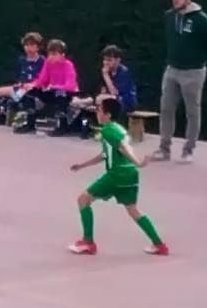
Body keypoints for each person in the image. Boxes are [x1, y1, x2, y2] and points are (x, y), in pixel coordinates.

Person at [68, 98, 167, 256]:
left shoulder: (108, 130)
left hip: (117, 174)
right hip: (130, 175)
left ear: (107, 114)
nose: (97, 112)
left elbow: (123, 147)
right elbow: (105, 154)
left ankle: (88, 242)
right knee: (133, 210)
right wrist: (82, 166)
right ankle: (159, 245)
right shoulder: (118, 128)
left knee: (83, 199)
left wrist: (138, 162)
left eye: (99, 109)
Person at [154, 0, 207, 161]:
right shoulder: (169, 16)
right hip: (172, 69)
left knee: (192, 111)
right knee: (166, 108)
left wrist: (198, 59)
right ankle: (164, 148)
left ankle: (188, 150)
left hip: (193, 72)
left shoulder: (202, 20)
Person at [14, 39, 79, 135]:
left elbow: (70, 86)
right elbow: (41, 80)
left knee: (60, 94)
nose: (51, 57)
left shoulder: (68, 65)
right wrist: (31, 85)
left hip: (67, 93)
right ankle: (30, 124)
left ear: (62, 55)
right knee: (29, 93)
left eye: (54, 54)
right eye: (50, 54)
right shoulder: (48, 63)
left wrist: (54, 87)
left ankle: (62, 127)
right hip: (51, 91)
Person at [0, 32, 45, 123]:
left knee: (23, 94)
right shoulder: (21, 60)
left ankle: (21, 115)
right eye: (26, 45)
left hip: (34, 89)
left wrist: (32, 84)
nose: (28, 48)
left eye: (32, 45)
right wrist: (19, 83)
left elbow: (43, 79)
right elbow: (18, 77)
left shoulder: (42, 61)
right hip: (20, 87)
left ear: (38, 47)